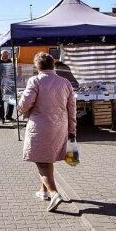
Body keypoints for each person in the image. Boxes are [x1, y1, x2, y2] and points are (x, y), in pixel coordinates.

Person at [18, 52, 77, 212]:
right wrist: (72, 129)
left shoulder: (35, 80)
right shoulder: (65, 82)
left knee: (41, 161)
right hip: (60, 126)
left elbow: (24, 104)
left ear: (37, 66)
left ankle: (54, 193)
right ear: (53, 65)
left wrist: (20, 104)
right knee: (47, 158)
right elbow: (72, 108)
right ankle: (43, 191)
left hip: (40, 126)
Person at [0, 50, 15, 123]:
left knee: (11, 100)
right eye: (4, 55)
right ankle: (1, 117)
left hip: (9, 84)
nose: (6, 56)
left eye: (7, 55)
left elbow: (12, 72)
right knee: (1, 101)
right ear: (1, 55)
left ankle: (8, 116)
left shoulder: (10, 62)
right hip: (1, 85)